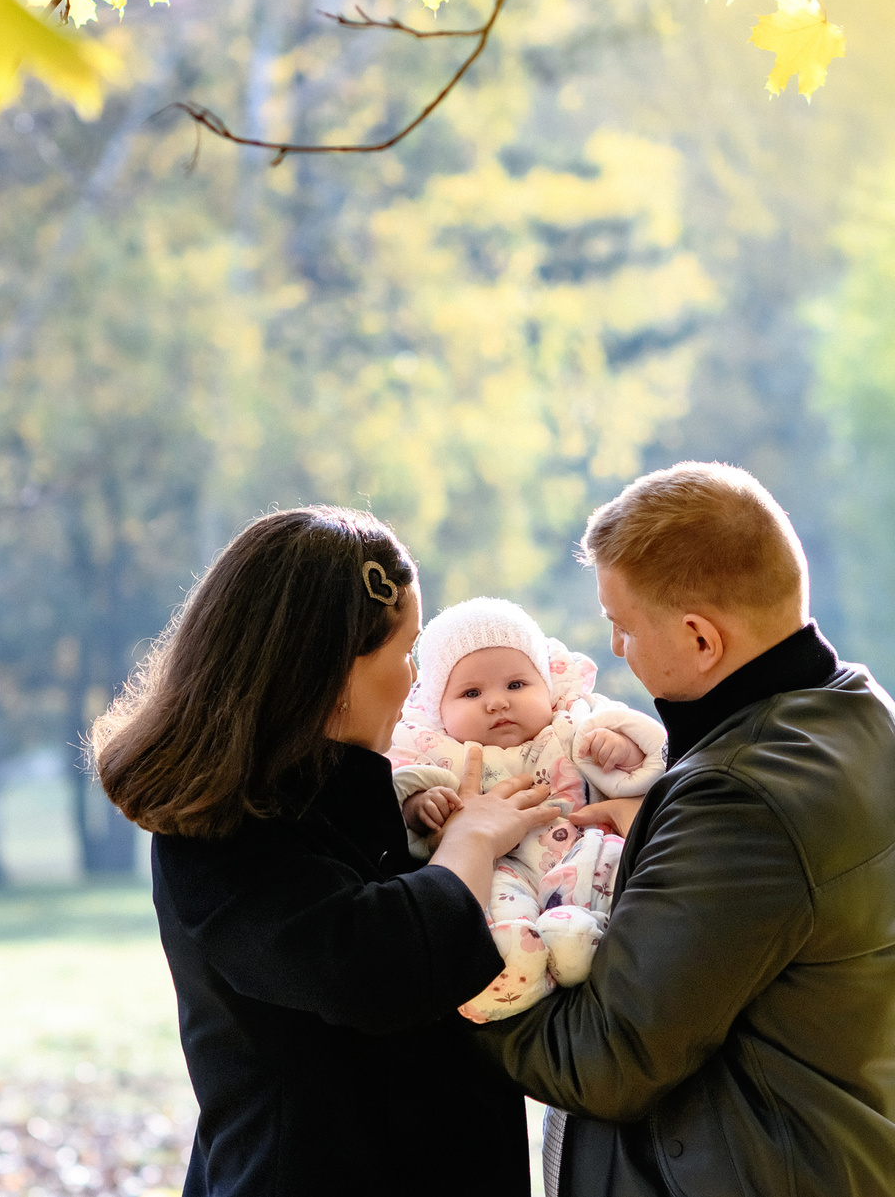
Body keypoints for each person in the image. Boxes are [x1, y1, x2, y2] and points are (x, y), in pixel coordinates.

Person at [478, 462, 895, 1195]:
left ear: (700, 639)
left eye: (623, 626)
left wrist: (438, 945)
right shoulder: (870, 719)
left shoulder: (736, 798)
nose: (616, 648)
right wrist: (655, 838)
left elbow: (603, 1061)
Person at [91, 507, 556, 1197]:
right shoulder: (218, 831)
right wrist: (471, 843)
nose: (415, 682)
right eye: (406, 653)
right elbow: (372, 964)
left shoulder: (361, 789)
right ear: (333, 672)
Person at [388, 596, 671, 1022]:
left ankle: (581, 934)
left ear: (547, 683)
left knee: (612, 860)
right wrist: (420, 805)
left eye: (516, 685)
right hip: (503, 866)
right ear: (437, 708)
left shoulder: (571, 725)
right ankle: (512, 967)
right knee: (488, 903)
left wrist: (620, 749)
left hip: (581, 848)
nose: (497, 702)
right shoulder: (437, 752)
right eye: (471, 692)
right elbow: (399, 794)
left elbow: (651, 762)